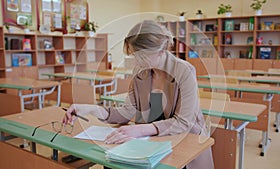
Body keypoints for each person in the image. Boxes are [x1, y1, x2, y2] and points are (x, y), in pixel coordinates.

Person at [63, 20, 214, 169]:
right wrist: (91, 109)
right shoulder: (140, 71)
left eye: (141, 56)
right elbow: (127, 111)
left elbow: (183, 122)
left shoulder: (184, 71)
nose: (137, 61)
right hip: (153, 143)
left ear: (161, 50)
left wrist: (140, 130)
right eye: (134, 55)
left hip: (186, 142)